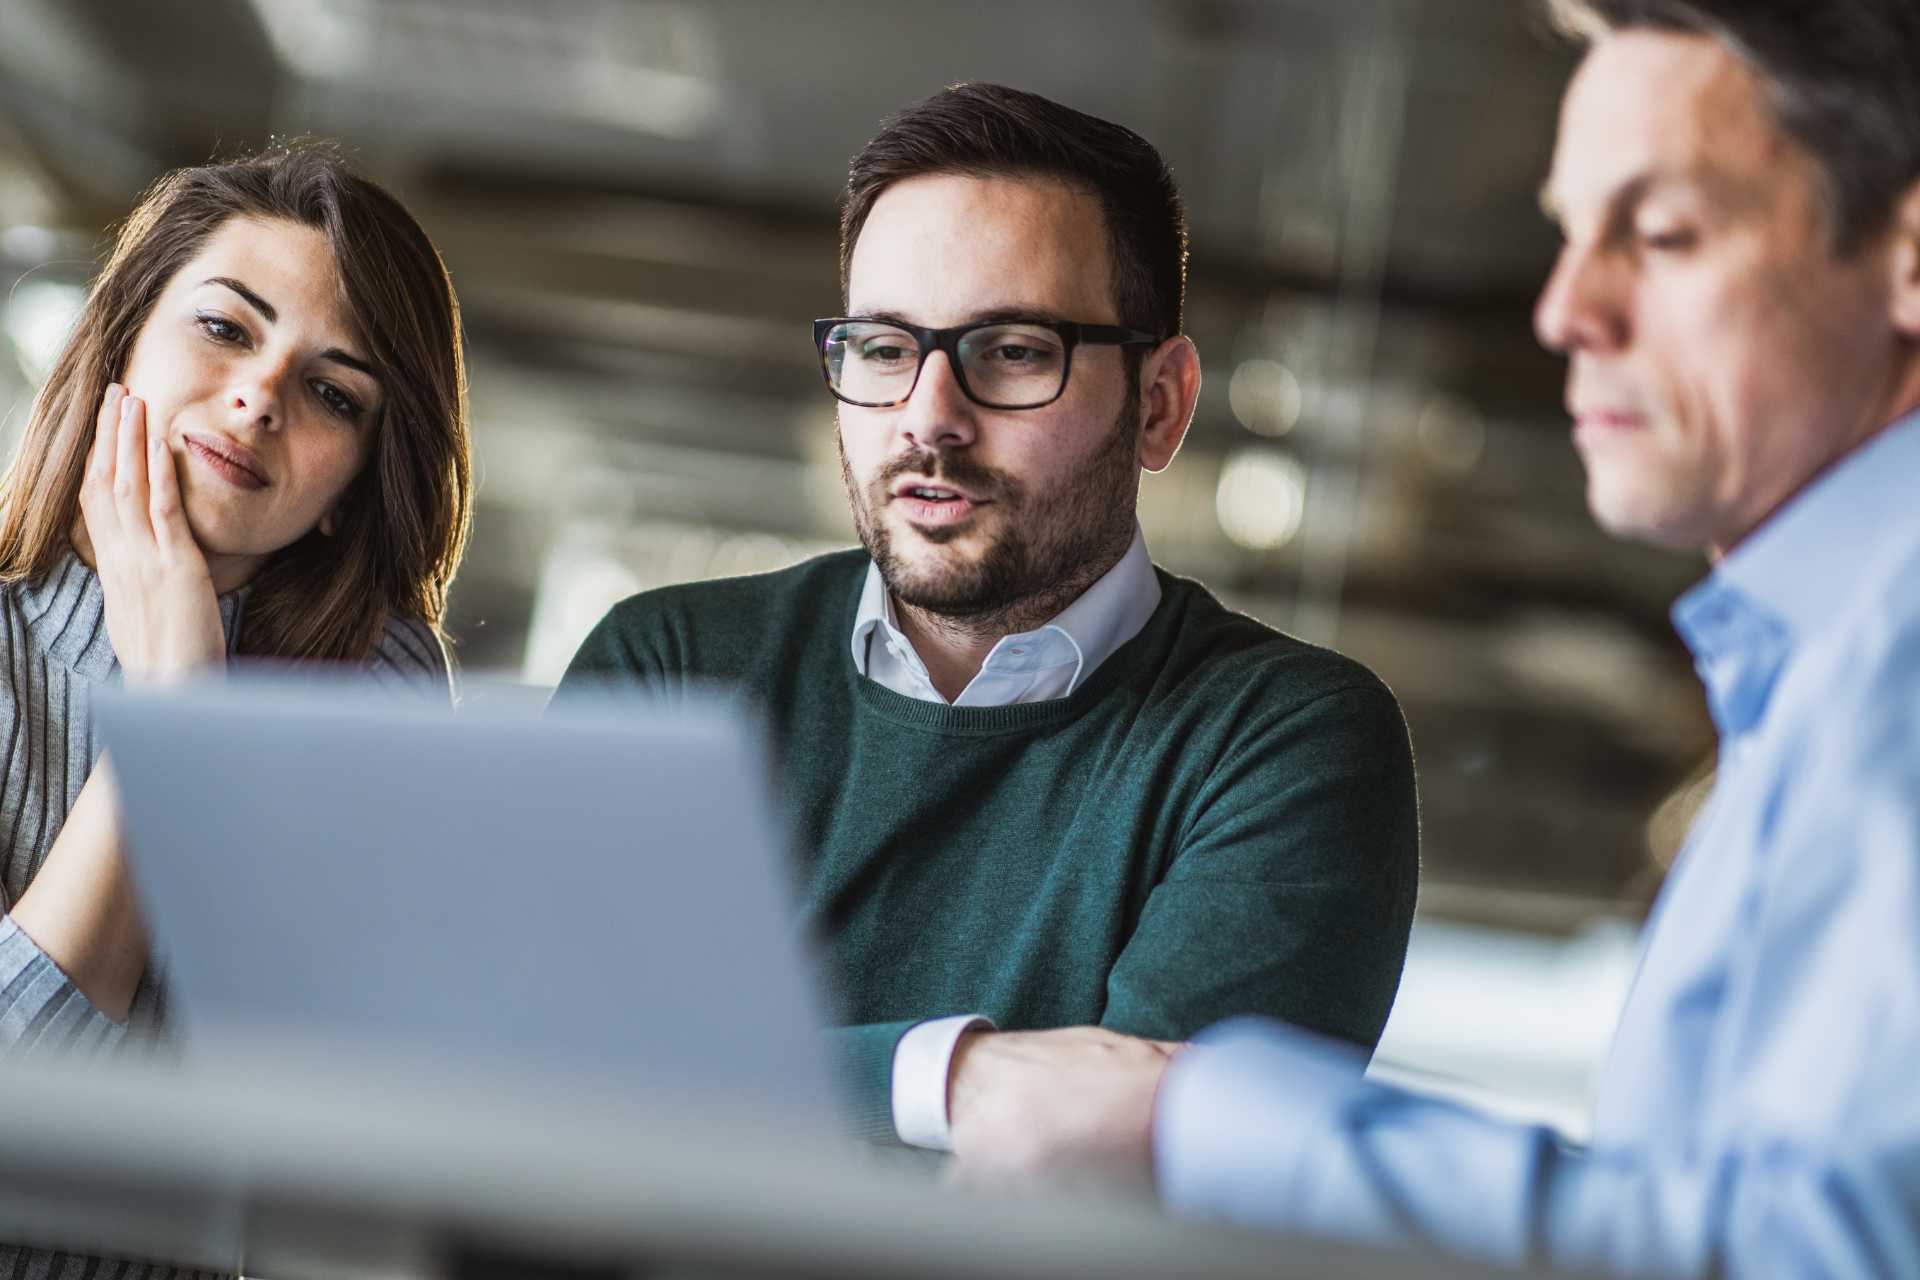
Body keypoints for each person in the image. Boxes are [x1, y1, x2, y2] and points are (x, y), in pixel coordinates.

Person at [948, 2, 1920, 1274]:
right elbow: (1718, 1215)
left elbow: (1829, 1255)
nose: (1565, 309)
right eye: (1571, 236)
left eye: (1665, 233)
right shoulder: (1807, 680)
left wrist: (1214, 1121)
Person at [559, 84, 1419, 1157]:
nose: (928, 417)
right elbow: (545, 1072)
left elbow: (1134, 1182)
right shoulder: (674, 667)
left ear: (1159, 405)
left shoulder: (1280, 742)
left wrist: (719, 1078)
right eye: (881, 347)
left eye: (1012, 350)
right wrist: (959, 1080)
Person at [0, 143, 472, 1277]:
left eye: (331, 391)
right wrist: (172, 708)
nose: (259, 396)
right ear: (121, 342)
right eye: (226, 326)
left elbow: (342, 1181)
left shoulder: (383, 708)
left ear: (349, 483)